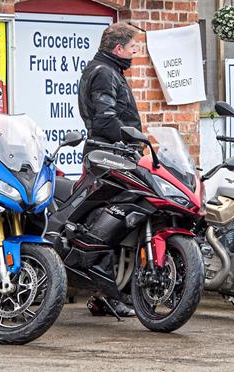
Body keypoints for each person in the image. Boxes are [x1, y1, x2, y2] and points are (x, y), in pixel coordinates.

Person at [77, 21, 142, 318]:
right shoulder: (104, 73)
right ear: (118, 49)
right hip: (107, 158)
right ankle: (106, 294)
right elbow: (105, 121)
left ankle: (110, 293)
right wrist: (132, 138)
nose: (136, 52)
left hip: (111, 155)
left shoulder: (107, 70)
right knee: (107, 225)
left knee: (109, 222)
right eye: (133, 47)